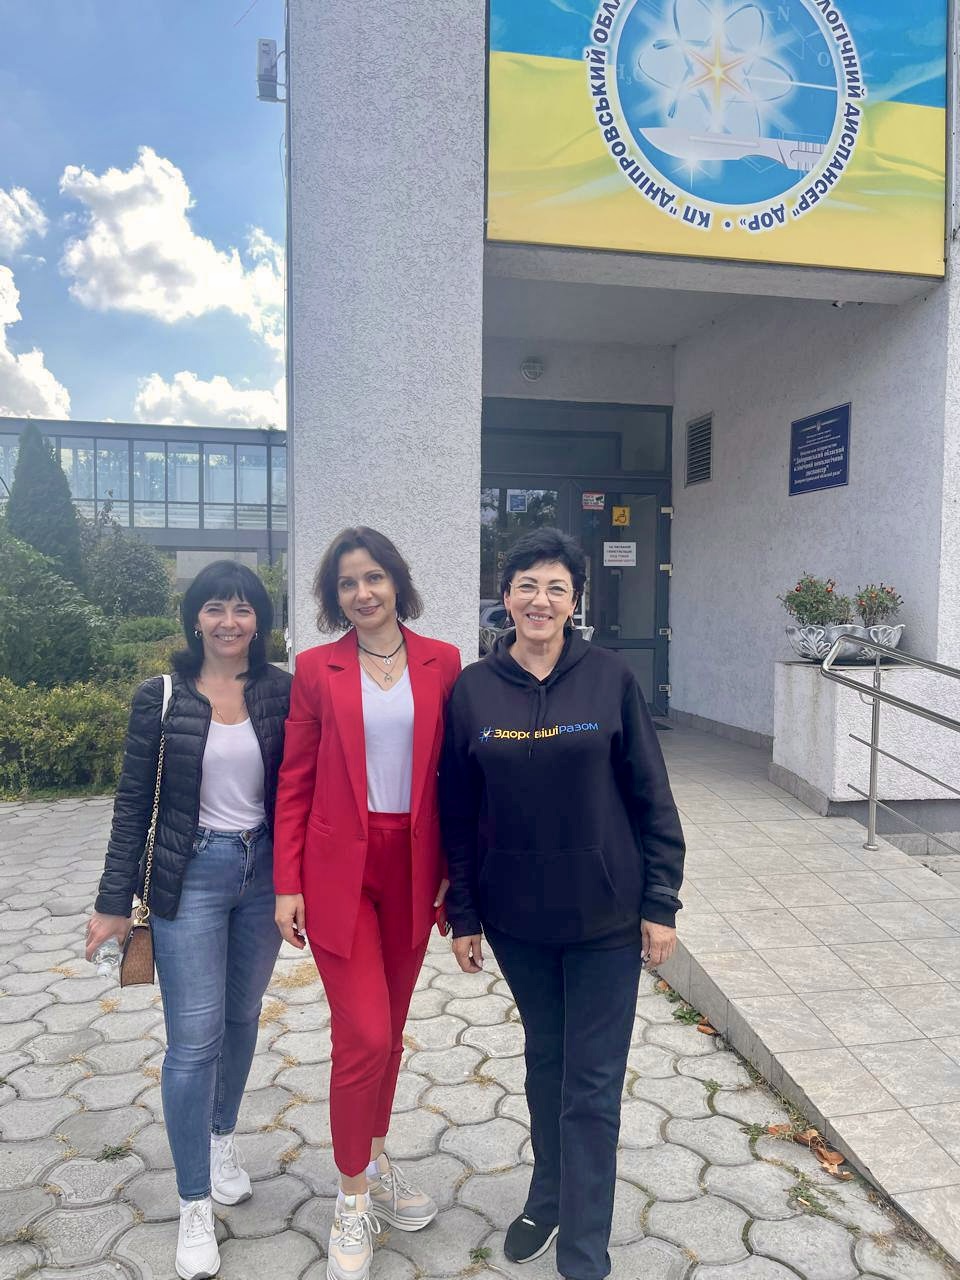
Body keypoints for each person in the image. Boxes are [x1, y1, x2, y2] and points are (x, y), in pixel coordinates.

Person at [439, 527, 685, 1280]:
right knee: (546, 1063)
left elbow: (651, 795)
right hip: (518, 921)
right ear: (505, 596)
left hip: (607, 919)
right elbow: (458, 811)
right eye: (527, 585)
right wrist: (465, 914)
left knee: (593, 1085)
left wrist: (661, 901)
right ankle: (547, 1196)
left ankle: (584, 1248)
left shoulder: (610, 678)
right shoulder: (473, 690)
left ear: (575, 600)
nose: (540, 600)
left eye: (556, 587)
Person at [85, 561, 292, 1280]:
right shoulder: (163, 695)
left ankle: (222, 1138)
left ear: (259, 620)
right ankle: (194, 1202)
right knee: (194, 1041)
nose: (229, 621)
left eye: (243, 608)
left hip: (264, 876)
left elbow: (305, 788)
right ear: (195, 619)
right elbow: (132, 803)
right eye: (215, 608)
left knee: (242, 1017)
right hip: (191, 875)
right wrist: (113, 901)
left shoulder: (281, 690)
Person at [273, 527, 460, 1280]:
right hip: (338, 873)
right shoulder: (315, 670)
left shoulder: (443, 661)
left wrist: (456, 870)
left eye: (374, 577)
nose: (362, 593)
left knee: (392, 1035)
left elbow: (457, 775)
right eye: (347, 583)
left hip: (415, 867)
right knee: (365, 1036)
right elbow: (294, 780)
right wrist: (287, 882)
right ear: (333, 596)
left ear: (397, 582)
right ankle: (351, 1198)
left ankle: (375, 1161)